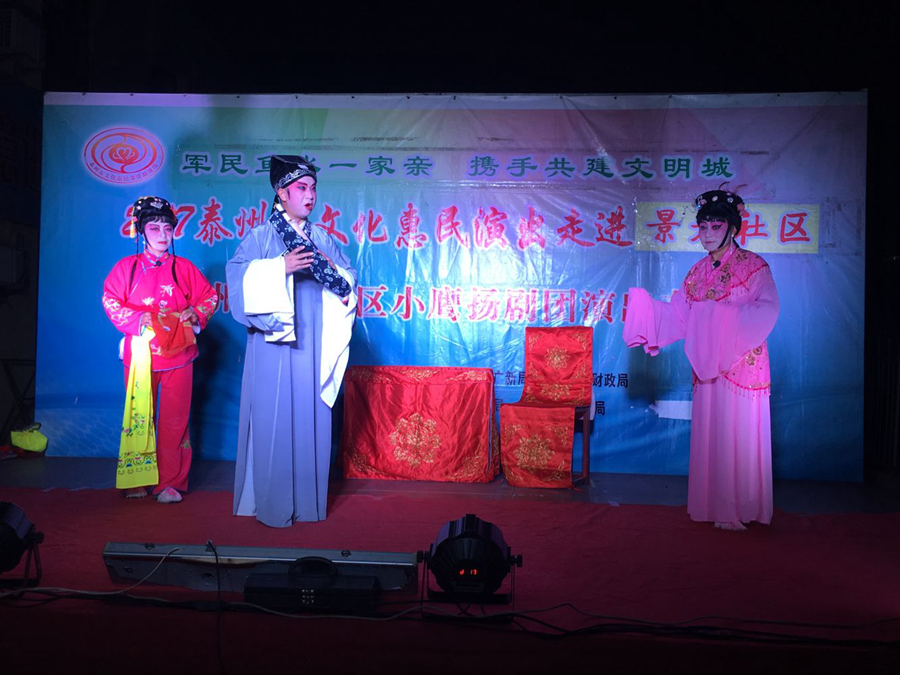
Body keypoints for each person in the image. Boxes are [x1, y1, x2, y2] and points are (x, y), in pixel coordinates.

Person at [623, 187, 779, 530]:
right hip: (707, 367)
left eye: (715, 226)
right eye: (703, 226)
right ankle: (713, 506)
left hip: (741, 365)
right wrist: (647, 311)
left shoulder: (754, 266)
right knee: (714, 434)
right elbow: (681, 317)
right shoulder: (697, 273)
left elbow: (767, 310)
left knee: (738, 434)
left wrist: (717, 318)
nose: (707, 234)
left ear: (733, 228)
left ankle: (741, 509)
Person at [227, 155, 357, 527]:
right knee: (273, 418)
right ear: (281, 192)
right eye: (301, 187)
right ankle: (270, 502)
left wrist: (338, 278)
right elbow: (237, 279)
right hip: (274, 341)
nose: (310, 195)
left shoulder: (322, 238)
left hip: (314, 341)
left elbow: (347, 276)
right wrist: (278, 269)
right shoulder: (261, 237)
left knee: (311, 417)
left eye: (313, 188)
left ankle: (307, 504)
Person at [102, 196, 219, 503]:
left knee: (175, 420)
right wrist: (137, 319)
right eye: (155, 228)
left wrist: (195, 313)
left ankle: (170, 482)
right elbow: (110, 299)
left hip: (180, 353)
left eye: (168, 228)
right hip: (141, 353)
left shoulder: (184, 268)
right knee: (140, 417)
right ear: (141, 231)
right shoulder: (127, 268)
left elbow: (209, 298)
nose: (163, 234)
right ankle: (138, 478)